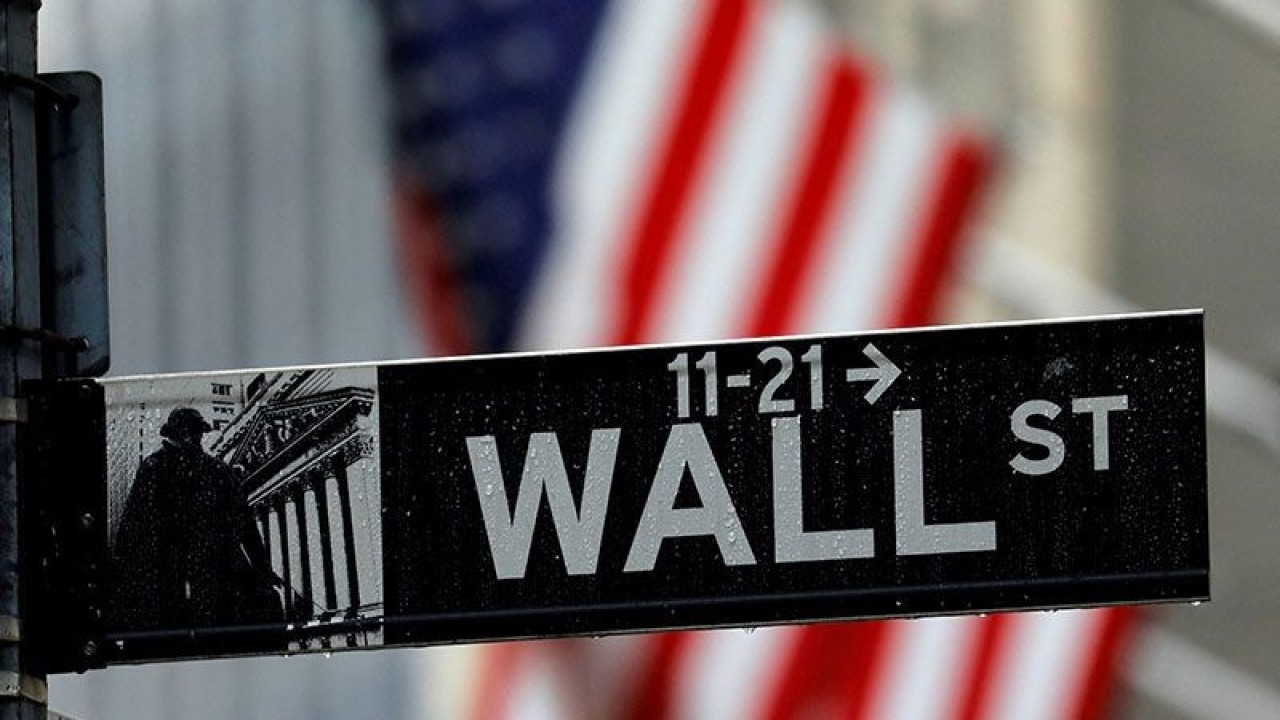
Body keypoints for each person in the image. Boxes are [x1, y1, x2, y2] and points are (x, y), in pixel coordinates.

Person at [113, 407, 284, 631]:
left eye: (196, 432)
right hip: (176, 570)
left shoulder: (213, 470)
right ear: (175, 434)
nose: (194, 438)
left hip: (205, 569)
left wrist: (262, 568)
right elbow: (133, 524)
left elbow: (245, 522)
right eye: (189, 432)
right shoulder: (158, 468)